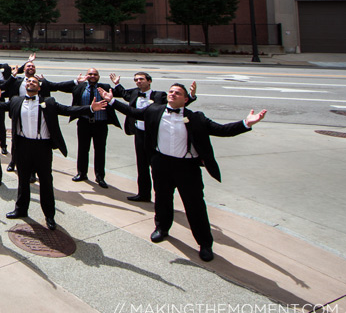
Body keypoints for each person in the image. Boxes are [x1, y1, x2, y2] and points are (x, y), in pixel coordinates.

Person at [104, 84, 266, 262]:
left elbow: (221, 130)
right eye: (171, 91)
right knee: (162, 199)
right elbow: (132, 112)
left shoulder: (196, 118)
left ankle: (205, 243)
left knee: (195, 206)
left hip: (187, 168)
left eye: (177, 93)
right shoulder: (154, 110)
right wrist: (111, 101)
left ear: (186, 99)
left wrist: (246, 123)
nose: (172, 94)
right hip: (161, 163)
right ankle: (162, 228)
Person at [0, 78, 101, 230]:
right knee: (23, 180)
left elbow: (67, 110)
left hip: (42, 147)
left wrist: (89, 108)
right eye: (28, 82)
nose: (30, 83)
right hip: (23, 146)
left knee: (45, 181)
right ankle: (21, 209)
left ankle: (49, 215)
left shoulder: (49, 102)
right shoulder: (16, 101)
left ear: (39, 87)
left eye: (34, 82)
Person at [110, 73, 196, 203]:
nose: (138, 82)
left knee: (156, 166)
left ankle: (161, 195)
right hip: (139, 133)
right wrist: (117, 83)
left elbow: (176, 104)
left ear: (149, 81)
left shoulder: (159, 95)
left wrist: (191, 96)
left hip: (153, 135)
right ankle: (143, 194)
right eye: (136, 80)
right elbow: (123, 94)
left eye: (141, 79)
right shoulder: (134, 93)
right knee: (141, 164)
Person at [41, 68, 117, 188]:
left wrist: (117, 84)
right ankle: (82, 173)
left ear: (99, 76)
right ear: (86, 76)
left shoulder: (106, 87)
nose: (92, 76)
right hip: (84, 123)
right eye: (90, 74)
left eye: (95, 74)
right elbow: (57, 86)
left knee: (100, 150)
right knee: (82, 149)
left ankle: (100, 176)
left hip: (100, 124)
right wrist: (44, 81)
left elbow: (123, 94)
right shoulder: (79, 87)